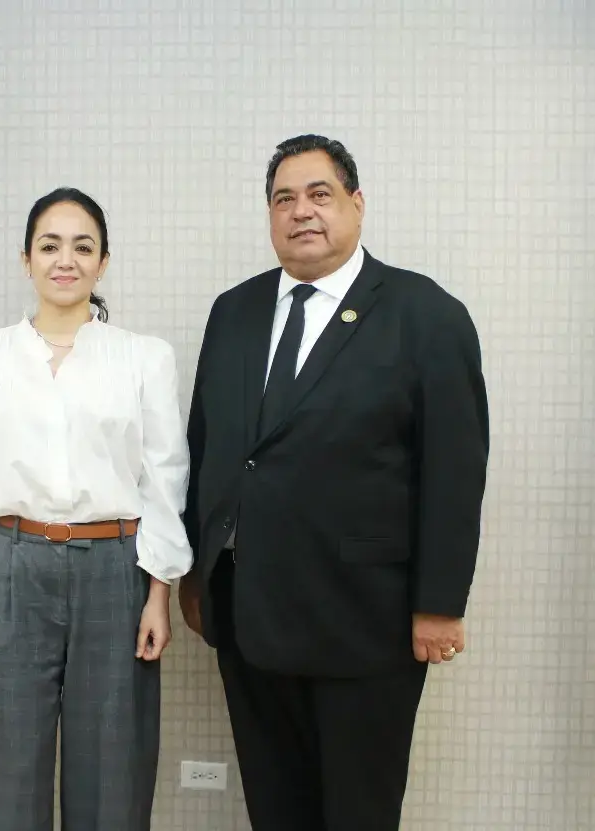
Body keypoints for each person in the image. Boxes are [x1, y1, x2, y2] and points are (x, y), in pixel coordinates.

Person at [178, 135, 490, 831]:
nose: (301, 211)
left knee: (356, 813)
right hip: (250, 615)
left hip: (366, 622)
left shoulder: (424, 314)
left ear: (356, 204)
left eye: (319, 194)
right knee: (275, 809)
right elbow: (207, 445)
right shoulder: (234, 311)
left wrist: (440, 603)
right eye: (283, 199)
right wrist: (195, 572)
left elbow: (455, 469)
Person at [0, 187, 192, 831]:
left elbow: (165, 478)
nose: (66, 260)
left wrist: (159, 592)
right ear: (26, 259)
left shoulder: (144, 359)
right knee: (8, 757)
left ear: (103, 262)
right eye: (50, 246)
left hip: (116, 568)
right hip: (11, 565)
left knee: (114, 760)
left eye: (82, 247)